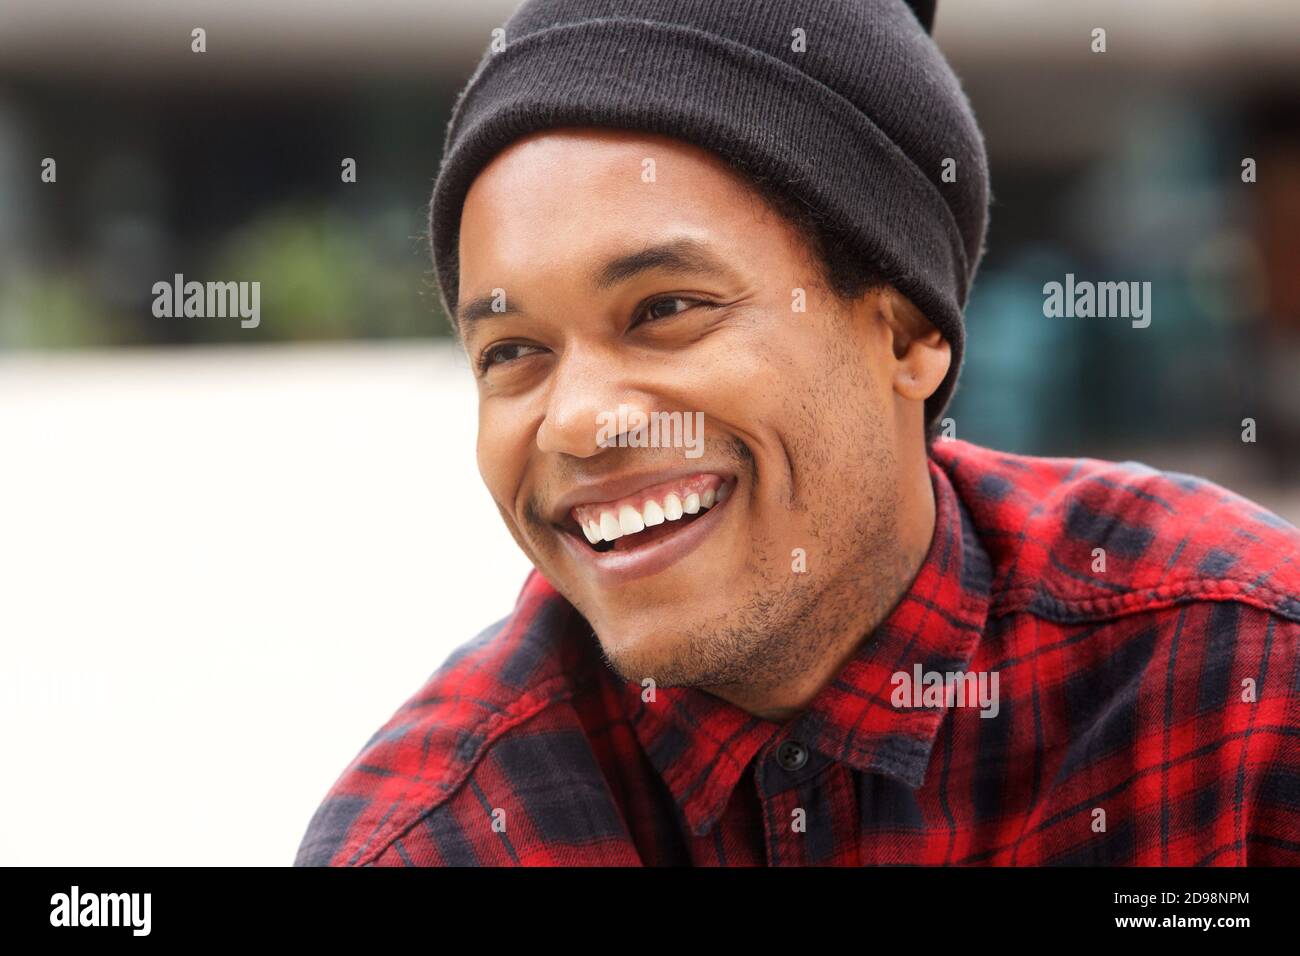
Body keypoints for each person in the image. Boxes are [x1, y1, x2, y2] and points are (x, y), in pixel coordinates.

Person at [294, 0, 1300, 866]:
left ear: (904, 331)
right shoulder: (437, 837)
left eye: (664, 309)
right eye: (512, 351)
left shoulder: (1241, 687)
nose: (579, 420)